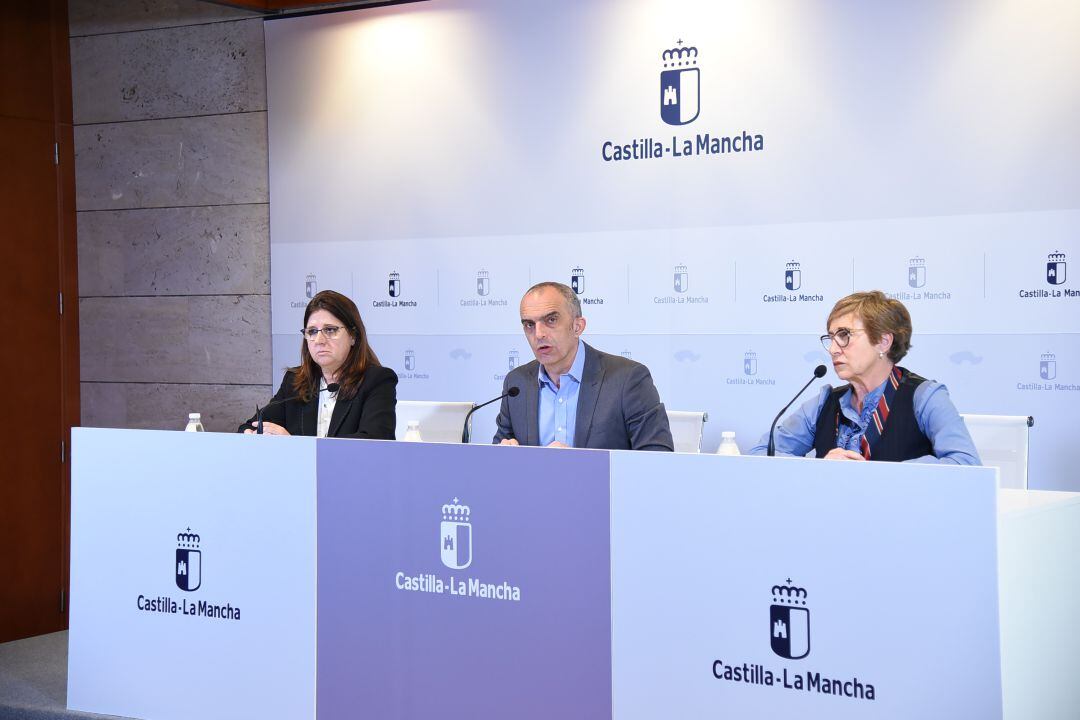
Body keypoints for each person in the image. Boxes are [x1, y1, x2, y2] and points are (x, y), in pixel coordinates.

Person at [749, 290, 979, 464]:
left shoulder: (925, 397)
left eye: (845, 335)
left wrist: (879, 475)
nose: (833, 349)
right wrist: (817, 467)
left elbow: (966, 464)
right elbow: (761, 454)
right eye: (831, 338)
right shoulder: (824, 402)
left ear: (883, 341)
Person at [493, 282, 673, 451]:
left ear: (578, 326)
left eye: (551, 320)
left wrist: (580, 467)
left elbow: (656, 457)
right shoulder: (517, 383)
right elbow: (498, 453)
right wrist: (505, 455)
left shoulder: (627, 379)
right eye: (529, 325)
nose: (538, 334)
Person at [238, 290, 397, 439]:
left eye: (330, 330)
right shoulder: (295, 381)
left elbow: (374, 443)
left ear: (353, 336)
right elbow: (249, 426)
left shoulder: (377, 381)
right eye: (312, 331)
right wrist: (251, 434)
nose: (319, 341)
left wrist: (295, 447)